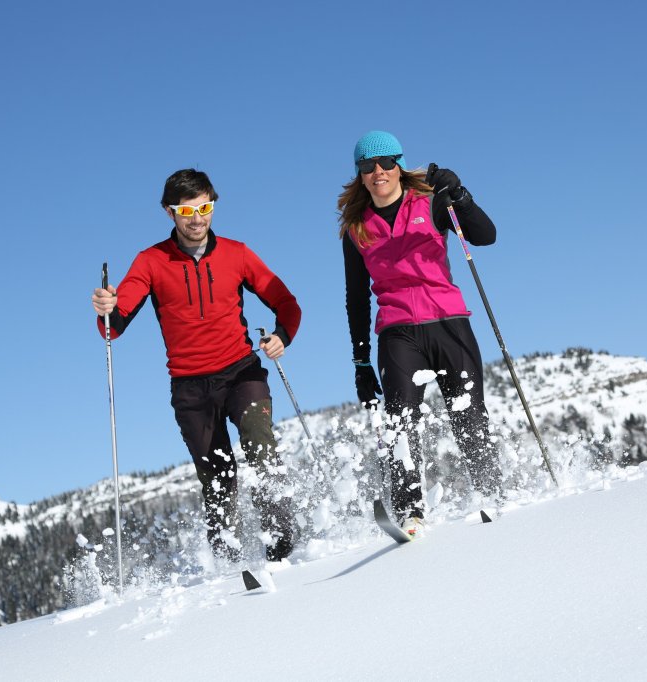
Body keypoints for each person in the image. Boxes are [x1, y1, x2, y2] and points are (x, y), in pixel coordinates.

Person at [91, 168, 300, 563]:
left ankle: (283, 543)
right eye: (186, 211)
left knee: (259, 442)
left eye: (205, 207)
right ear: (169, 213)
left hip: (241, 372)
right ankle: (229, 561)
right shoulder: (150, 261)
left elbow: (287, 302)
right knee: (217, 478)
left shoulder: (237, 253)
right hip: (190, 387)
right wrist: (106, 309)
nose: (198, 218)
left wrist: (281, 336)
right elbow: (115, 325)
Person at [338, 131, 503, 538]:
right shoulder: (357, 229)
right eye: (367, 166)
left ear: (398, 165)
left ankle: (492, 492)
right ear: (359, 175)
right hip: (397, 334)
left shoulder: (432, 204)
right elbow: (356, 299)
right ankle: (410, 512)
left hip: (448, 322)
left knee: (469, 416)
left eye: (386, 163)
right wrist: (360, 361)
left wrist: (460, 194)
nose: (378, 172)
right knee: (399, 424)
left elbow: (486, 235)